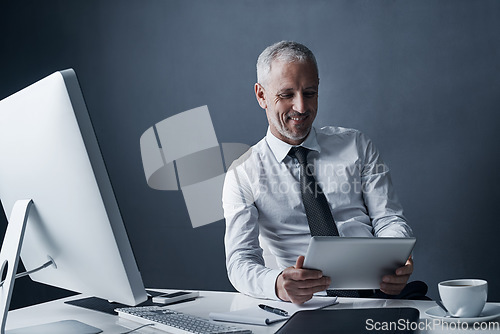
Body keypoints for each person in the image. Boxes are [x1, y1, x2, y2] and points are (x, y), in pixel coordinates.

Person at [223, 41, 420, 304]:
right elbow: (240, 261)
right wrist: (277, 284)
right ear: (261, 96)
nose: (302, 108)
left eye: (310, 93)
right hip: (308, 305)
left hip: (379, 298)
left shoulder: (357, 145)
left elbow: (389, 220)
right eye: (286, 95)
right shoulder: (242, 173)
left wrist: (395, 262)